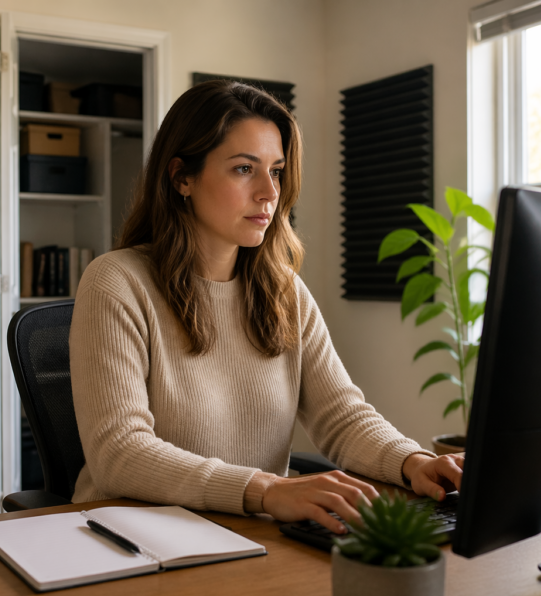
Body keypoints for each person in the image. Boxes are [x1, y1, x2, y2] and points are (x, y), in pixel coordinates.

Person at [69, 80, 464, 534]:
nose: (268, 193)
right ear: (182, 177)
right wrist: (266, 490)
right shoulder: (116, 282)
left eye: (275, 171)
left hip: (246, 533)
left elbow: (341, 415)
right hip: (129, 538)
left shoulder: (284, 291)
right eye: (243, 169)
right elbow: (120, 452)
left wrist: (411, 461)